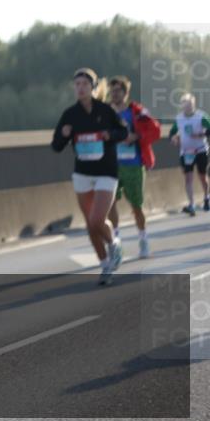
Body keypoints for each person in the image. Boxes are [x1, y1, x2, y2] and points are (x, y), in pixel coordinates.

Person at [51, 68, 128, 285]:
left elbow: (123, 132)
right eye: (77, 85)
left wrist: (109, 135)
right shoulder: (70, 115)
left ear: (93, 88)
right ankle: (105, 267)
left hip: (106, 171)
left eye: (85, 84)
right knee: (90, 225)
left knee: (97, 219)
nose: (80, 88)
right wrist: (63, 135)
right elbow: (56, 146)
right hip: (83, 173)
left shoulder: (105, 110)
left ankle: (113, 244)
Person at [106, 76, 161, 257]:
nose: (114, 94)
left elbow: (155, 130)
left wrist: (136, 137)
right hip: (111, 165)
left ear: (125, 92)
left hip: (133, 165)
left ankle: (143, 239)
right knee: (109, 203)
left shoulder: (136, 112)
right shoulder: (105, 113)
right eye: (112, 91)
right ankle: (115, 242)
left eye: (118, 91)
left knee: (136, 206)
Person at [169, 93, 210, 215]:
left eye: (190, 105)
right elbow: (172, 132)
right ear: (182, 106)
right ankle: (191, 204)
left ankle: (207, 197)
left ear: (194, 105)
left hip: (201, 150)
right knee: (188, 178)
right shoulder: (179, 118)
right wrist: (174, 138)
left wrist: (200, 135)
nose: (188, 108)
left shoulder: (201, 116)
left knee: (202, 176)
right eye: (186, 105)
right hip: (186, 152)